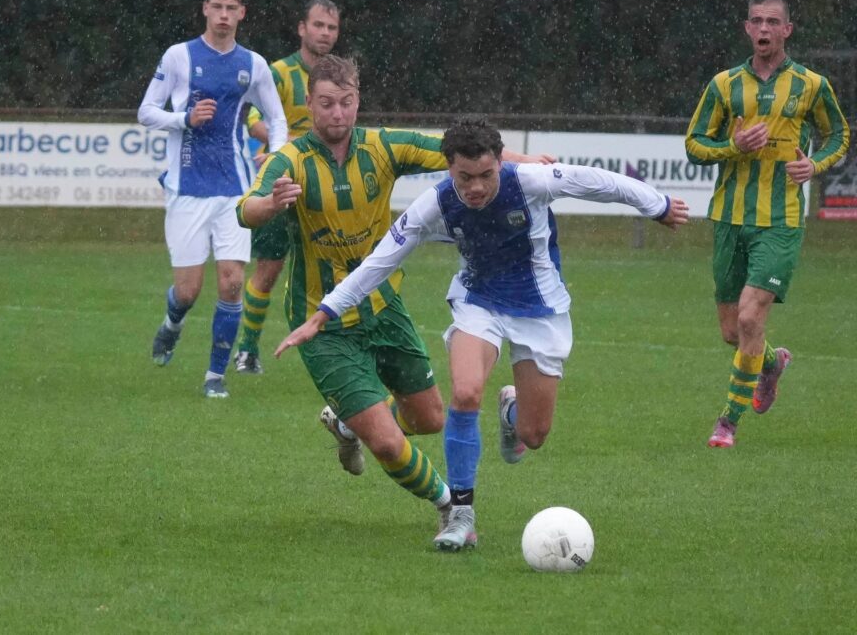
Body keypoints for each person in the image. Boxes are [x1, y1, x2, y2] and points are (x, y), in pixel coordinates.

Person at [275, 118, 689, 550]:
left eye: (486, 175)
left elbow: (599, 182)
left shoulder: (530, 181)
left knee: (533, 435)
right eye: (464, 177)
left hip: (540, 309)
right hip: (478, 301)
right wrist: (323, 314)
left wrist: (657, 205)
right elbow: (381, 261)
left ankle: (511, 411)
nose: (475, 187)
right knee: (466, 392)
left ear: (500, 163)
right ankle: (461, 515)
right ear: (449, 169)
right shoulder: (435, 203)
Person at [238, 58, 552, 543]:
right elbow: (246, 210)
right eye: (326, 103)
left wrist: (525, 161)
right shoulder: (291, 160)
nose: (337, 113)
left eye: (346, 102)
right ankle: (451, 508)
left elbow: (455, 150)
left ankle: (348, 426)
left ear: (357, 101)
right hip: (323, 323)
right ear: (310, 104)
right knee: (386, 443)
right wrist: (271, 203)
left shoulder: (382, 146)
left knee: (430, 419)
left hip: (384, 310)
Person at [685, 0, 849, 448]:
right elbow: (694, 144)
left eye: (772, 21)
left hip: (781, 220)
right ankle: (772, 362)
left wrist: (815, 165)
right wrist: (732, 147)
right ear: (746, 28)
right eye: (756, 20)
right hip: (729, 217)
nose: (763, 28)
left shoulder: (811, 84)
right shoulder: (724, 85)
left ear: (787, 30)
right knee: (732, 330)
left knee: (750, 317)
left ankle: (727, 422)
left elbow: (839, 134)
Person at [138, 0, 288, 398]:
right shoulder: (179, 56)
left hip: (234, 190)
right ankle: (173, 322)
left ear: (242, 13)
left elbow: (277, 119)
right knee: (188, 291)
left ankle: (215, 376)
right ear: (205, 8)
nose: (223, 15)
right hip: (187, 187)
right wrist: (184, 119)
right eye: (217, 7)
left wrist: (276, 157)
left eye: (231, 8)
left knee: (232, 282)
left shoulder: (253, 64)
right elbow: (146, 111)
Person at [234, 0, 342, 375]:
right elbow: (252, 120)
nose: (324, 33)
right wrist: (291, 145)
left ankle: (339, 349)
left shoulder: (338, 77)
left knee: (334, 265)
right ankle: (247, 349)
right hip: (281, 181)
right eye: (318, 25)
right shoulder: (278, 72)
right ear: (302, 28)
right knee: (269, 268)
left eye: (331, 27)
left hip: (325, 184)